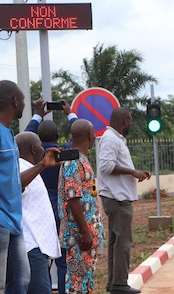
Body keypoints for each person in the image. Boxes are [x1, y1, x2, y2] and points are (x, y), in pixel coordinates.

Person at [0, 80, 60, 293]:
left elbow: (14, 183)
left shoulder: (7, 133)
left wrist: (42, 164)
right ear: (15, 101)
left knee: (21, 282)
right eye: (22, 100)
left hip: (12, 222)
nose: (23, 105)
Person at [25, 98, 77, 294]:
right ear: (57, 135)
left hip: (39, 213)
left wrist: (38, 114)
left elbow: (25, 136)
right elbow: (79, 133)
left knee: (42, 259)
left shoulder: (33, 156)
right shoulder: (64, 152)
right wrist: (70, 113)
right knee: (63, 260)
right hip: (62, 209)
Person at [98, 107, 151, 294]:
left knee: (116, 241)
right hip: (117, 198)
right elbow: (106, 166)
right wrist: (131, 172)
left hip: (117, 196)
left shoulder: (113, 138)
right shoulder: (110, 139)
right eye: (130, 122)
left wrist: (135, 172)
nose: (130, 125)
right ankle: (119, 284)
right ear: (125, 122)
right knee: (123, 242)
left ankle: (114, 283)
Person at [58, 119, 104, 294]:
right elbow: (73, 198)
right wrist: (85, 231)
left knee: (85, 280)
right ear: (90, 136)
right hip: (78, 235)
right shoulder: (73, 161)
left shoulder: (81, 159)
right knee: (76, 283)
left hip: (87, 233)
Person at [16, 131, 61, 294]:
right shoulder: (20, 167)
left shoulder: (29, 169)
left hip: (36, 246)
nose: (44, 149)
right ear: (34, 149)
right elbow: (16, 184)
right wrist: (42, 165)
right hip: (30, 246)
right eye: (41, 146)